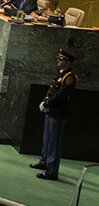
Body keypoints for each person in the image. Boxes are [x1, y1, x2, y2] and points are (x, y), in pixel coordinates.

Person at [32, 49, 76, 180]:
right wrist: (45, 102)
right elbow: (51, 91)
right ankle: (44, 161)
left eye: (61, 59)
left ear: (68, 62)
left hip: (58, 113)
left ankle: (51, 171)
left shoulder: (70, 77)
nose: (58, 61)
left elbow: (61, 95)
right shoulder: (60, 74)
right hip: (51, 111)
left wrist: (47, 104)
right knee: (47, 139)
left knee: (54, 143)